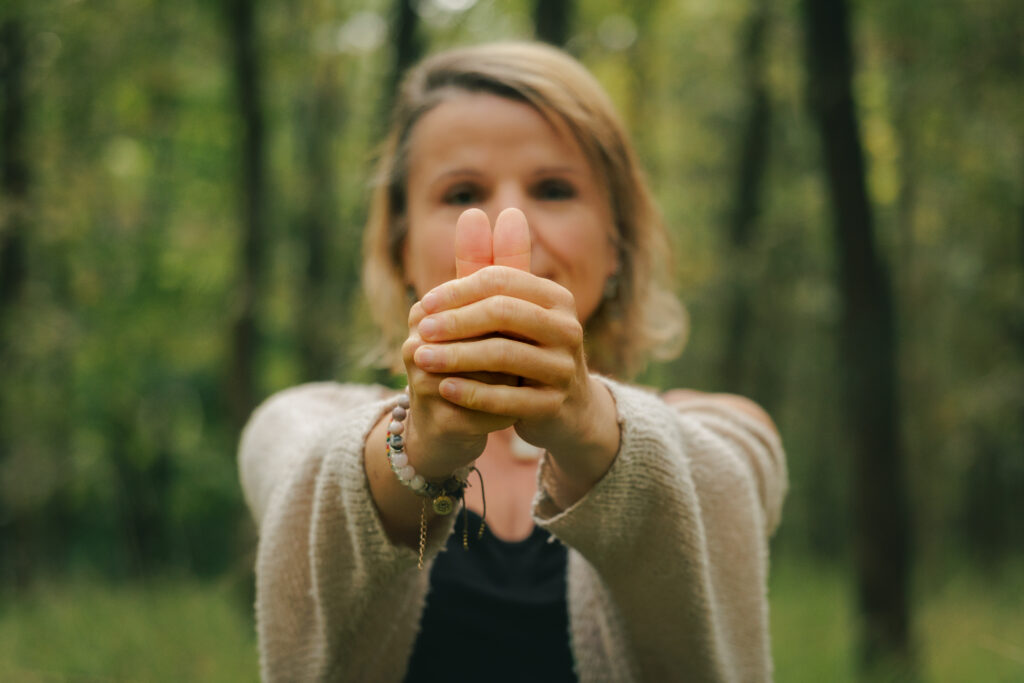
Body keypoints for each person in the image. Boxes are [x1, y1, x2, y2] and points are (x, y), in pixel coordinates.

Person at [239, 41, 787, 682]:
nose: (509, 221)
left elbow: (723, 482)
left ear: (616, 246)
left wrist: (586, 421)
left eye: (554, 189)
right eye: (462, 192)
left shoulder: (721, 433)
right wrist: (418, 446)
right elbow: (307, 476)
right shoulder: (300, 421)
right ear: (400, 247)